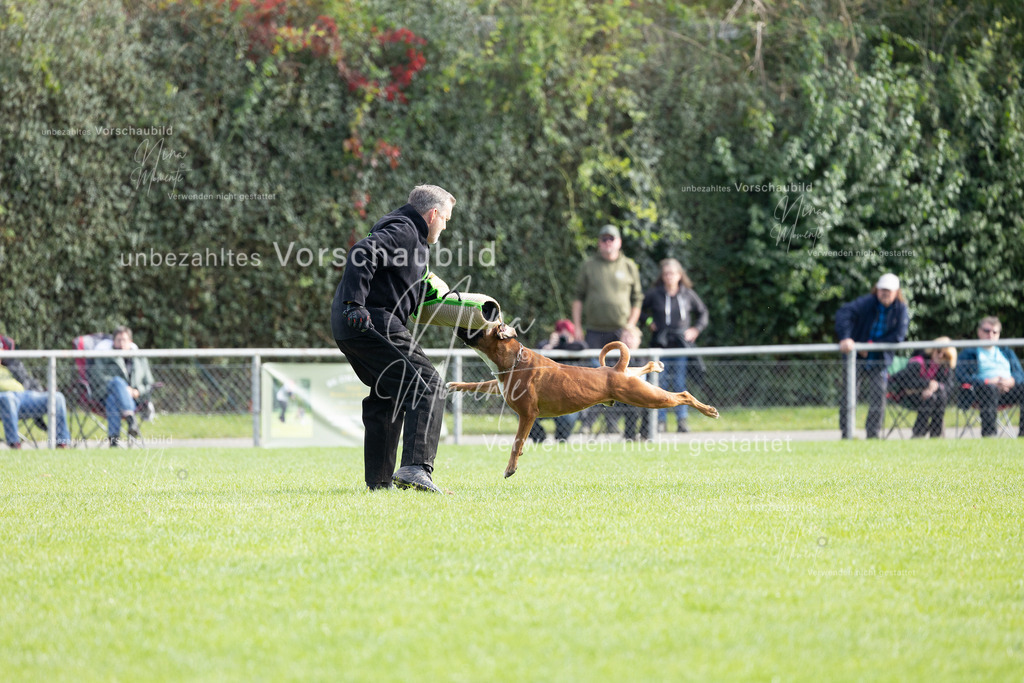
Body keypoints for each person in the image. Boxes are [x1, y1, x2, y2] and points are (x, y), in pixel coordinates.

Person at [331, 185, 456, 492]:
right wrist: (355, 304)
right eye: (446, 219)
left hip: (353, 324)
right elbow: (361, 253)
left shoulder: (408, 236)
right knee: (429, 385)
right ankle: (416, 468)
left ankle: (379, 481)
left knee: (389, 394)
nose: (445, 226)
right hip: (368, 317)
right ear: (433, 214)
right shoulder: (405, 230)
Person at [571, 224, 643, 433]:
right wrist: (577, 326)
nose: (607, 242)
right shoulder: (589, 265)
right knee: (595, 378)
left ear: (619, 242)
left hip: (621, 333)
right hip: (594, 332)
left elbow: (638, 299)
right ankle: (588, 422)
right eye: (604, 239)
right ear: (599, 242)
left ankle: (615, 424)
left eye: (611, 239)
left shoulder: (629, 265)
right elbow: (578, 297)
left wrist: (630, 326)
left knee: (621, 378)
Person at [835, 273, 910, 439]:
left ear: (896, 292)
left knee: (878, 395)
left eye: (888, 291)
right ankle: (847, 432)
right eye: (881, 289)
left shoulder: (901, 309)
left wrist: (871, 345)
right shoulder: (867, 303)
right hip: (857, 356)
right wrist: (847, 337)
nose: (884, 293)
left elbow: (898, 336)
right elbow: (843, 313)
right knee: (849, 394)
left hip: (879, 358)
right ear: (876, 289)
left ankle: (873, 434)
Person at [641, 258, 709, 433]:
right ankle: (660, 422)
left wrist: (695, 329)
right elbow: (639, 309)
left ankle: (682, 420)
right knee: (660, 382)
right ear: (662, 277)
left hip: (680, 344)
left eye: (672, 273)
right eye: (666, 274)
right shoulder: (655, 293)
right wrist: (649, 321)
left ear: (679, 275)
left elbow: (703, 313)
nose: (669, 277)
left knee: (679, 382)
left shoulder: (688, 294)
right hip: (660, 344)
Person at [955, 316, 1024, 437]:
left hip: (1008, 391)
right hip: (980, 393)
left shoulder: (1007, 352)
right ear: (979, 332)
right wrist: (987, 381)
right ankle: (989, 435)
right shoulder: (969, 353)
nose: (990, 334)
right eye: (987, 331)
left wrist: (1011, 381)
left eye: (994, 332)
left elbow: (1020, 374)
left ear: (998, 334)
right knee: (989, 389)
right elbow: (961, 376)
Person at [0, 335, 72, 448]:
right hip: (5, 401)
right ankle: (14, 444)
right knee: (7, 398)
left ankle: (62, 443)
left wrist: (38, 390)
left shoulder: (13, 365)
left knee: (57, 397)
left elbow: (28, 380)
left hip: (25, 396)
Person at [90, 326, 155, 447]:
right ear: (113, 341)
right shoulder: (105, 356)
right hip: (104, 394)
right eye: (118, 340)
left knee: (113, 400)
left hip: (134, 399)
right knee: (117, 382)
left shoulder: (140, 357)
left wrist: (137, 391)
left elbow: (149, 383)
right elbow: (97, 377)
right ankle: (131, 418)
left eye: (124, 340)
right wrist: (124, 388)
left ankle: (114, 441)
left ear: (130, 341)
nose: (121, 343)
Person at [528, 319, 588, 443]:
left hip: (567, 397)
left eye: (567, 334)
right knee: (522, 410)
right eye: (561, 333)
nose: (563, 337)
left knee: (569, 418)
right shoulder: (547, 346)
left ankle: (561, 439)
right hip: (544, 396)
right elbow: (536, 353)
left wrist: (561, 346)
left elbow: (582, 346)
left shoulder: (575, 347)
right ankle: (539, 438)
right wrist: (551, 346)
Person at [888, 338, 957, 438]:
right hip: (908, 396)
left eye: (945, 355)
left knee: (938, 396)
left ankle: (935, 435)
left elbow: (949, 387)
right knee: (931, 397)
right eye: (938, 351)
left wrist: (935, 386)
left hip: (933, 397)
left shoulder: (945, 367)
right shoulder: (918, 361)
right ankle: (918, 434)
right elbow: (902, 380)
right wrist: (927, 384)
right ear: (933, 350)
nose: (940, 356)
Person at [617, 325, 651, 441]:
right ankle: (629, 436)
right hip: (622, 395)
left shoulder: (646, 358)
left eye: (631, 337)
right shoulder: (616, 359)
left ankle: (645, 435)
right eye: (625, 337)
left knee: (651, 402)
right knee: (632, 405)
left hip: (643, 394)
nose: (628, 340)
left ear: (639, 340)